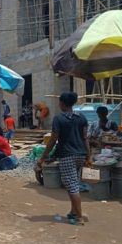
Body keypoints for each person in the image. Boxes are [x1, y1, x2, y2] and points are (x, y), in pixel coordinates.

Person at [37, 92, 90, 225]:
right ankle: (73, 212)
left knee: (72, 186)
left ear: (62, 103)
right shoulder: (81, 117)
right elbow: (85, 138)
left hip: (67, 156)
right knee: (75, 185)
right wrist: (89, 156)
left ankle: (79, 217)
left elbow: (53, 139)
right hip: (80, 155)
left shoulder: (59, 119)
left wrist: (43, 157)